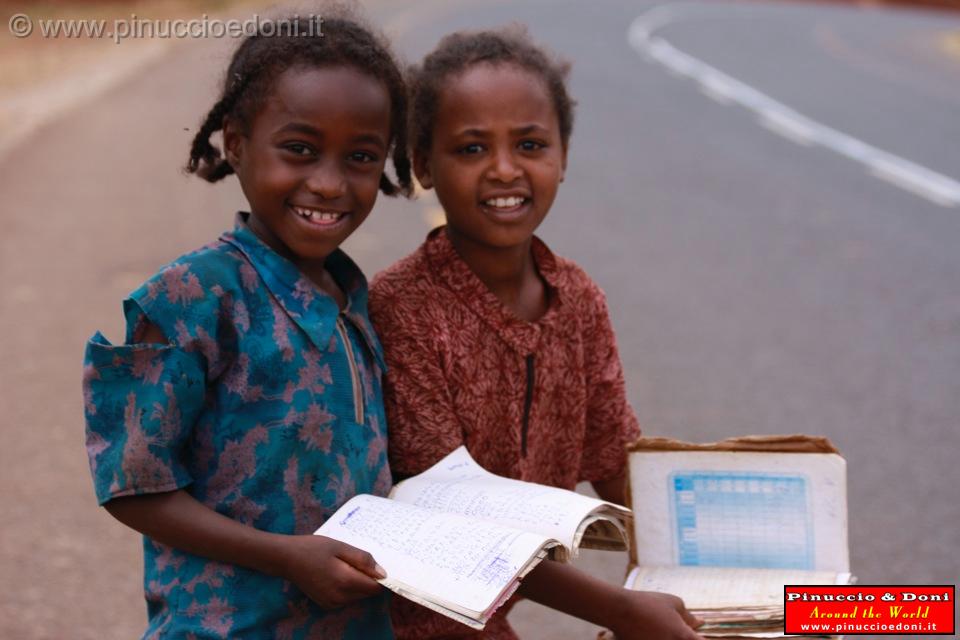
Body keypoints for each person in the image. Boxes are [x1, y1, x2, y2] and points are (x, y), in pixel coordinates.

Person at [82, 13, 412, 639]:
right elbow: (133, 486)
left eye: (361, 157)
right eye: (300, 149)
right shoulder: (191, 298)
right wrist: (288, 557)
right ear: (235, 143)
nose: (329, 182)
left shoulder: (352, 297)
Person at [369, 27, 704, 640]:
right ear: (422, 164)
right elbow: (447, 520)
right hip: (402, 616)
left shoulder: (576, 298)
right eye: (471, 149)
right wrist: (623, 611)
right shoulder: (402, 307)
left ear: (563, 156)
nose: (504, 170)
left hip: (491, 615)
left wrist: (702, 577)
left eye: (529, 144)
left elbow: (615, 460)